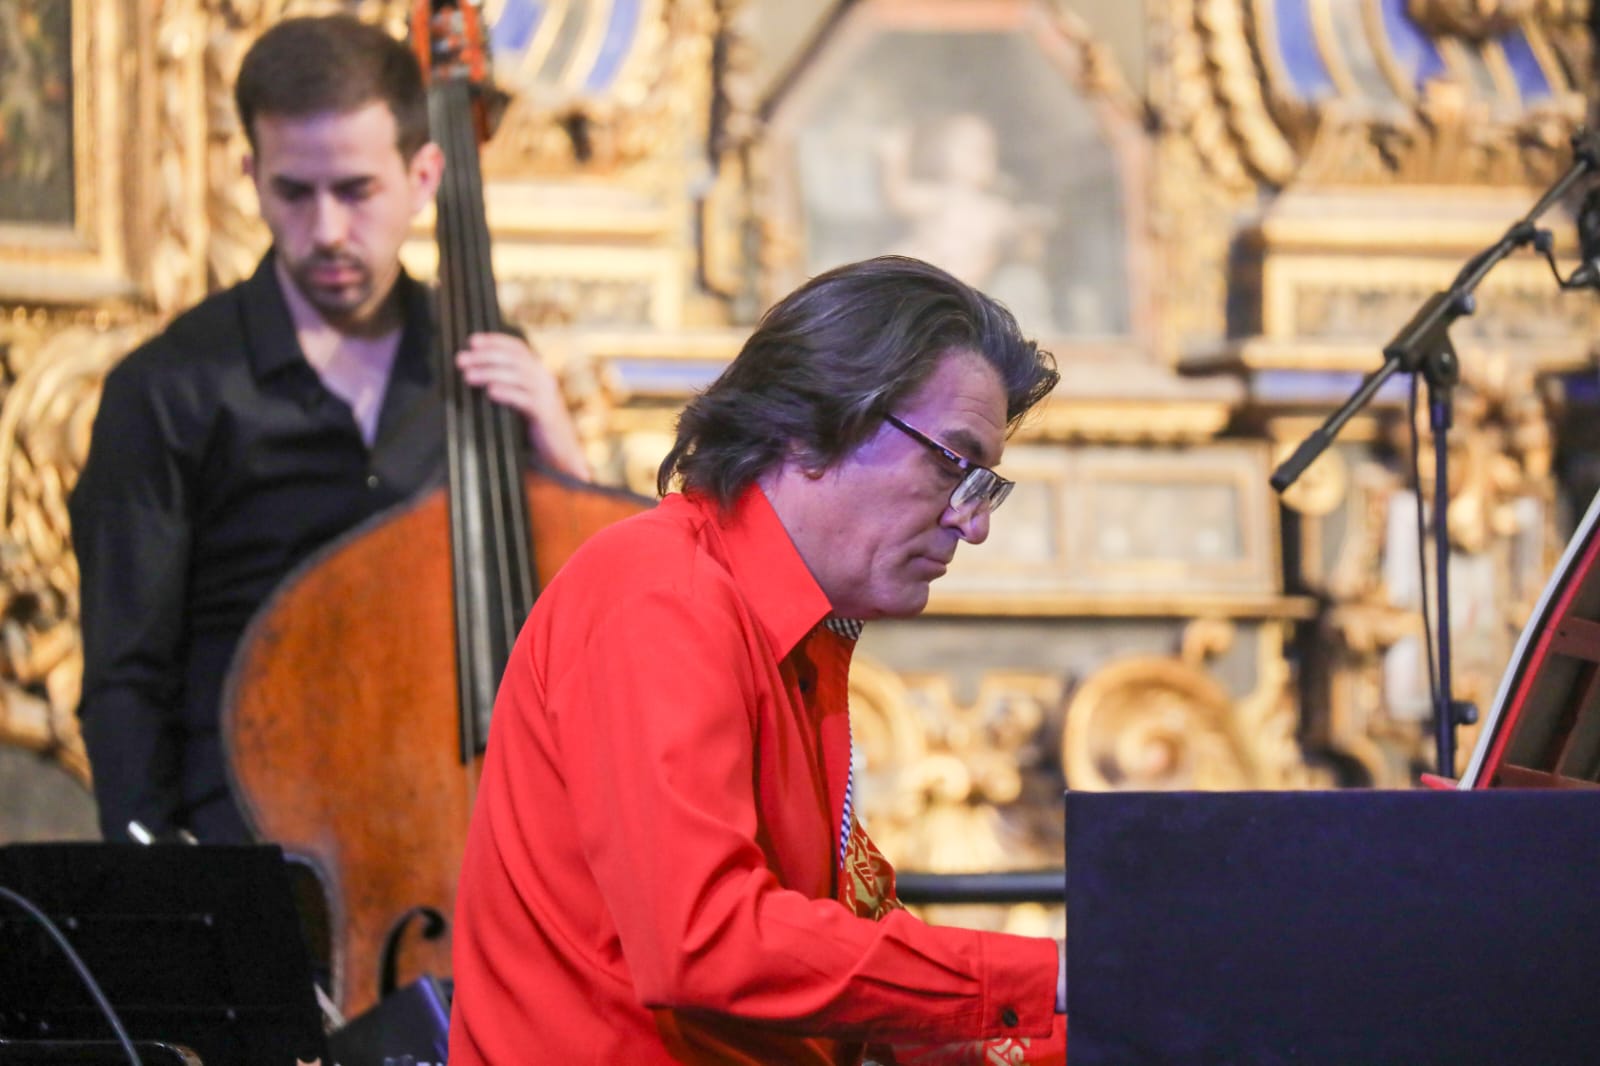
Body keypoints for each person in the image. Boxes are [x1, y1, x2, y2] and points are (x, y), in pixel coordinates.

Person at [450, 255, 1068, 1062]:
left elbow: (848, 957)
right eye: (952, 464)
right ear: (809, 426)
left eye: (983, 484)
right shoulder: (661, 594)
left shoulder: (799, 633)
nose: (972, 523)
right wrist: (1051, 978)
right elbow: (706, 941)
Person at [69, 14, 590, 845]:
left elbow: (583, 634)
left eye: (356, 191)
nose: (328, 233)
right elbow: (127, 677)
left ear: (424, 176)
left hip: (465, 835)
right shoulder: (165, 389)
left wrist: (565, 464)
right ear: (251, 174)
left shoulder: (492, 363)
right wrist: (171, 897)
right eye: (293, 193)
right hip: (255, 848)